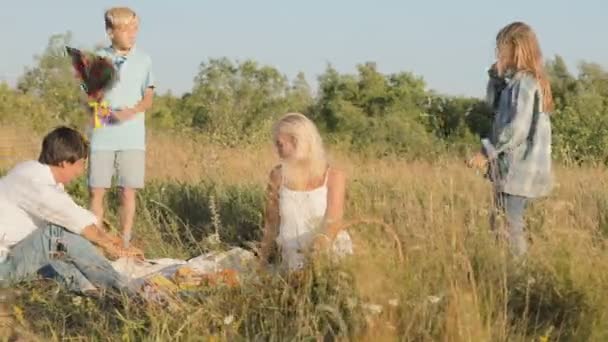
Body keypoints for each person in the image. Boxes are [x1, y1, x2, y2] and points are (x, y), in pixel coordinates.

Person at [0, 126, 142, 294]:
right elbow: (78, 223)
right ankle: (125, 291)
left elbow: (77, 215)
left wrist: (116, 241)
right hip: (4, 267)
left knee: (60, 251)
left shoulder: (34, 173)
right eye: (81, 164)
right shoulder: (36, 183)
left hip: (14, 256)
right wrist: (117, 250)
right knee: (56, 236)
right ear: (65, 162)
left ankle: (93, 293)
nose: (81, 172)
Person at [467, 21, 554, 256]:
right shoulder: (514, 84)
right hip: (514, 171)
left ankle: (518, 278)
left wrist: (487, 153)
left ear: (516, 48)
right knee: (502, 225)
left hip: (517, 171)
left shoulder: (524, 84)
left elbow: (516, 129)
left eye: (501, 48)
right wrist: (496, 78)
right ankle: (511, 275)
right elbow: (493, 107)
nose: (498, 53)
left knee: (508, 228)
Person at [88, 7, 155, 248]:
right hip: (102, 135)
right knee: (97, 190)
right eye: (125, 29)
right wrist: (106, 114)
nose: (132, 34)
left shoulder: (144, 59)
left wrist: (130, 112)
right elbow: (91, 98)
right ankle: (96, 242)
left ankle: (124, 243)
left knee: (128, 191)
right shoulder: (97, 58)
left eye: (135, 28)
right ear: (110, 32)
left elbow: (148, 98)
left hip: (132, 137)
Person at [259, 113, 353, 271]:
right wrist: (260, 260)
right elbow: (271, 224)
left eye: (280, 144)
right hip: (292, 259)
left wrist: (316, 254)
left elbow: (333, 222)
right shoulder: (277, 176)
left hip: (328, 255)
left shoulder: (334, 177)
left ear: (297, 142)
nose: (277, 151)